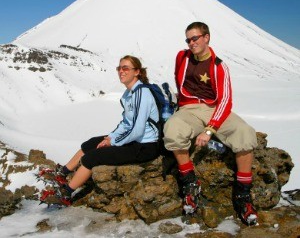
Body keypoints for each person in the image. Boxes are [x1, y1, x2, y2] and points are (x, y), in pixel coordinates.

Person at [163, 22, 258, 225]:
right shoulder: (182, 57)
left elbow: (225, 100)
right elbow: (178, 79)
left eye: (195, 38)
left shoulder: (218, 65)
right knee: (172, 129)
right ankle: (190, 183)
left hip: (214, 108)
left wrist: (209, 129)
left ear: (206, 37)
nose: (191, 43)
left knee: (245, 133)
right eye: (188, 39)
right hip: (189, 109)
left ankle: (243, 194)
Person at [40, 55, 160, 206]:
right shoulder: (128, 94)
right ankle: (63, 172)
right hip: (133, 139)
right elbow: (126, 123)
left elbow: (137, 130)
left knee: (93, 157)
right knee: (90, 144)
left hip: (145, 146)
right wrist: (110, 137)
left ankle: (66, 193)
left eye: (126, 68)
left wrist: (113, 142)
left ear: (137, 72)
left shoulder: (142, 94)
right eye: (119, 68)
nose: (121, 71)